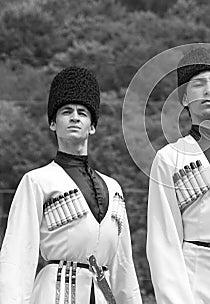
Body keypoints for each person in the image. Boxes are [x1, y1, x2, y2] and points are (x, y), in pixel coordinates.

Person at [0, 66, 142, 304]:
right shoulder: (37, 181)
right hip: (53, 293)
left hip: (103, 295)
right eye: (66, 111)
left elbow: (123, 264)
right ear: (53, 123)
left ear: (92, 126)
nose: (75, 117)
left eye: (82, 113)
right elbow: (18, 254)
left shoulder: (114, 188)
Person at [147, 47, 210, 304]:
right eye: (198, 84)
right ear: (185, 99)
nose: (208, 90)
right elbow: (163, 242)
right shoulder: (170, 159)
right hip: (197, 283)